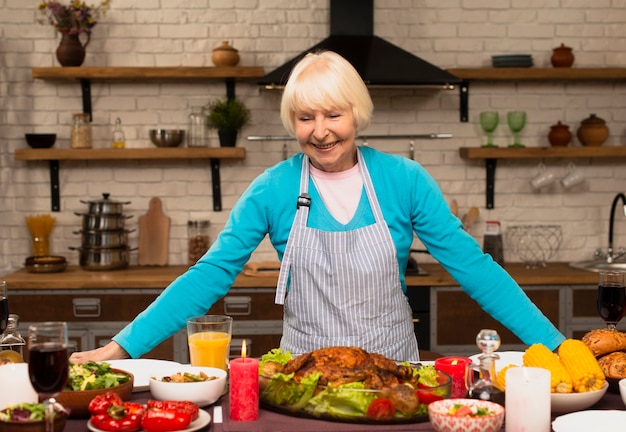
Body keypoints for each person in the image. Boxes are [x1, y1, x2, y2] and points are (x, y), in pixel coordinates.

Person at [70, 51, 565, 364]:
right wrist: (120, 347)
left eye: (334, 113)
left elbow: (475, 268)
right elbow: (210, 274)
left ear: (358, 113)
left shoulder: (404, 181)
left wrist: (558, 347)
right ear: (292, 120)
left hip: (393, 374)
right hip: (304, 377)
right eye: (306, 117)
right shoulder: (272, 189)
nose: (321, 130)